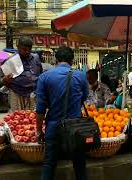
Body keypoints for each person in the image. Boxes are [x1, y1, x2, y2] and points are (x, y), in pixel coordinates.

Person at [36, 46, 89, 180]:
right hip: (76, 129)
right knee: (80, 165)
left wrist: (38, 130)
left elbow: (40, 109)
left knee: (49, 164)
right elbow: (83, 98)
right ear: (72, 60)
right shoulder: (81, 76)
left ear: (56, 59)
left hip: (53, 128)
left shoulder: (44, 77)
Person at [2, 36, 43, 111]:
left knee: (32, 117)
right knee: (16, 117)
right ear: (18, 47)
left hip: (32, 93)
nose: (27, 51)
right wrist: (6, 80)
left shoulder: (36, 58)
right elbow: (4, 82)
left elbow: (40, 74)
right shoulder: (10, 60)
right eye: (24, 49)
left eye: (29, 49)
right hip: (16, 93)